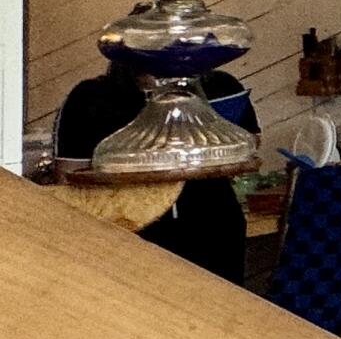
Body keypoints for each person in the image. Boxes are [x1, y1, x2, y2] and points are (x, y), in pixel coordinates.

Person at [54, 57, 257, 283]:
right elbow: (69, 178)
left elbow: (250, 144)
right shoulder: (91, 97)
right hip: (130, 232)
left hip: (214, 223)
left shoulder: (221, 86)